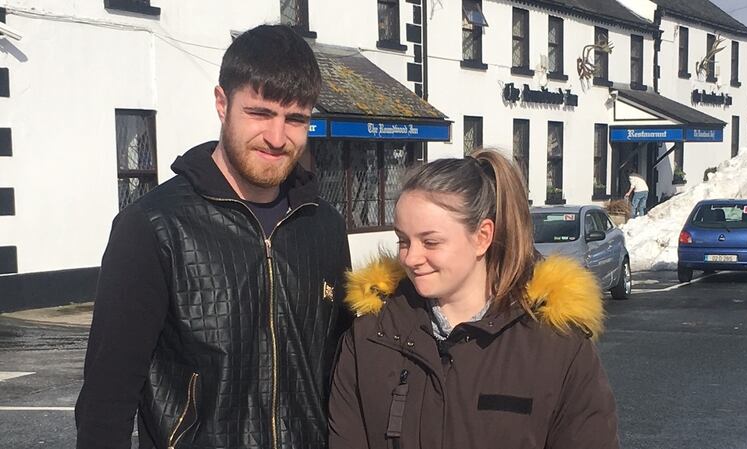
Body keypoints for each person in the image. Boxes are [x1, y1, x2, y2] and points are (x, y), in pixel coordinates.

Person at [75, 25, 352, 449]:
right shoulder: (153, 228)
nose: (277, 138)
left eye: (296, 119)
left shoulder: (325, 225)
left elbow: (340, 373)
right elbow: (105, 402)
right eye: (260, 113)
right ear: (222, 103)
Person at [329, 149, 619, 449]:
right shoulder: (370, 335)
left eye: (430, 242)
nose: (411, 257)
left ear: (482, 237)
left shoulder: (557, 346)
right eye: (403, 240)